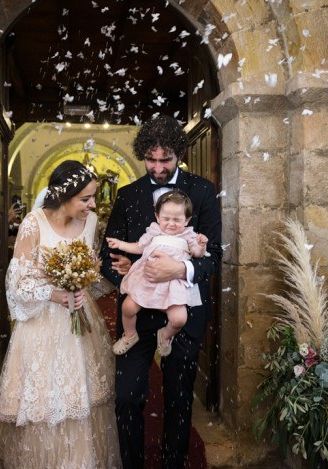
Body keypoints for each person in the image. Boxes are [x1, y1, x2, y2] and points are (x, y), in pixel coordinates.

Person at [100, 115, 222, 468]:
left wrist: (180, 268)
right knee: (126, 397)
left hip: (183, 312)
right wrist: (120, 271)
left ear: (179, 154)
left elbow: (214, 254)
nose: (157, 167)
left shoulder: (202, 192)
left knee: (179, 399)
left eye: (165, 159)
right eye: (150, 159)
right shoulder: (127, 195)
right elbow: (109, 254)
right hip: (137, 311)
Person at [0, 160, 121, 468]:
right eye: (85, 198)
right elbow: (16, 283)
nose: (92, 205)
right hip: (43, 321)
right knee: (45, 397)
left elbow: (90, 266)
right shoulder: (33, 223)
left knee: (82, 394)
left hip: (80, 314)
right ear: (64, 195)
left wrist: (84, 278)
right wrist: (54, 294)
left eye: (93, 197)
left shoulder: (90, 223)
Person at [106, 190, 208, 357]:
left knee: (179, 319)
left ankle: (166, 335)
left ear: (187, 220)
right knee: (128, 307)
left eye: (177, 220)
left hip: (173, 284)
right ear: (157, 217)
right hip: (147, 279)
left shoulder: (188, 236)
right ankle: (130, 335)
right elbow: (139, 247)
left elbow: (197, 253)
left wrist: (201, 245)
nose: (171, 224)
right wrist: (120, 244)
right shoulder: (154, 232)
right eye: (166, 219)